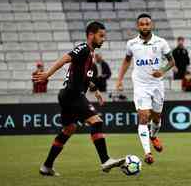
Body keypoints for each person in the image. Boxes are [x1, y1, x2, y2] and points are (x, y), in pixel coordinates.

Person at [33, 21, 125, 176]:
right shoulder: (83, 48)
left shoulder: (89, 54)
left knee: (69, 129)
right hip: (73, 93)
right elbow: (65, 58)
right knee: (96, 121)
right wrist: (48, 74)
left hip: (66, 94)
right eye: (100, 36)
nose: (103, 39)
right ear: (91, 35)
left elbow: (84, 78)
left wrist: (95, 90)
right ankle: (105, 160)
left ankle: (46, 166)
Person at [116, 13, 176, 164]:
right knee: (143, 116)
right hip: (141, 85)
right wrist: (119, 80)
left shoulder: (161, 42)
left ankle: (154, 136)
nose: (144, 26)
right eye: (141, 24)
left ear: (151, 25)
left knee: (156, 118)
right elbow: (126, 61)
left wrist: (162, 70)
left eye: (147, 24)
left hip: (157, 85)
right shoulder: (131, 44)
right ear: (138, 26)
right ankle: (147, 153)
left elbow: (172, 61)